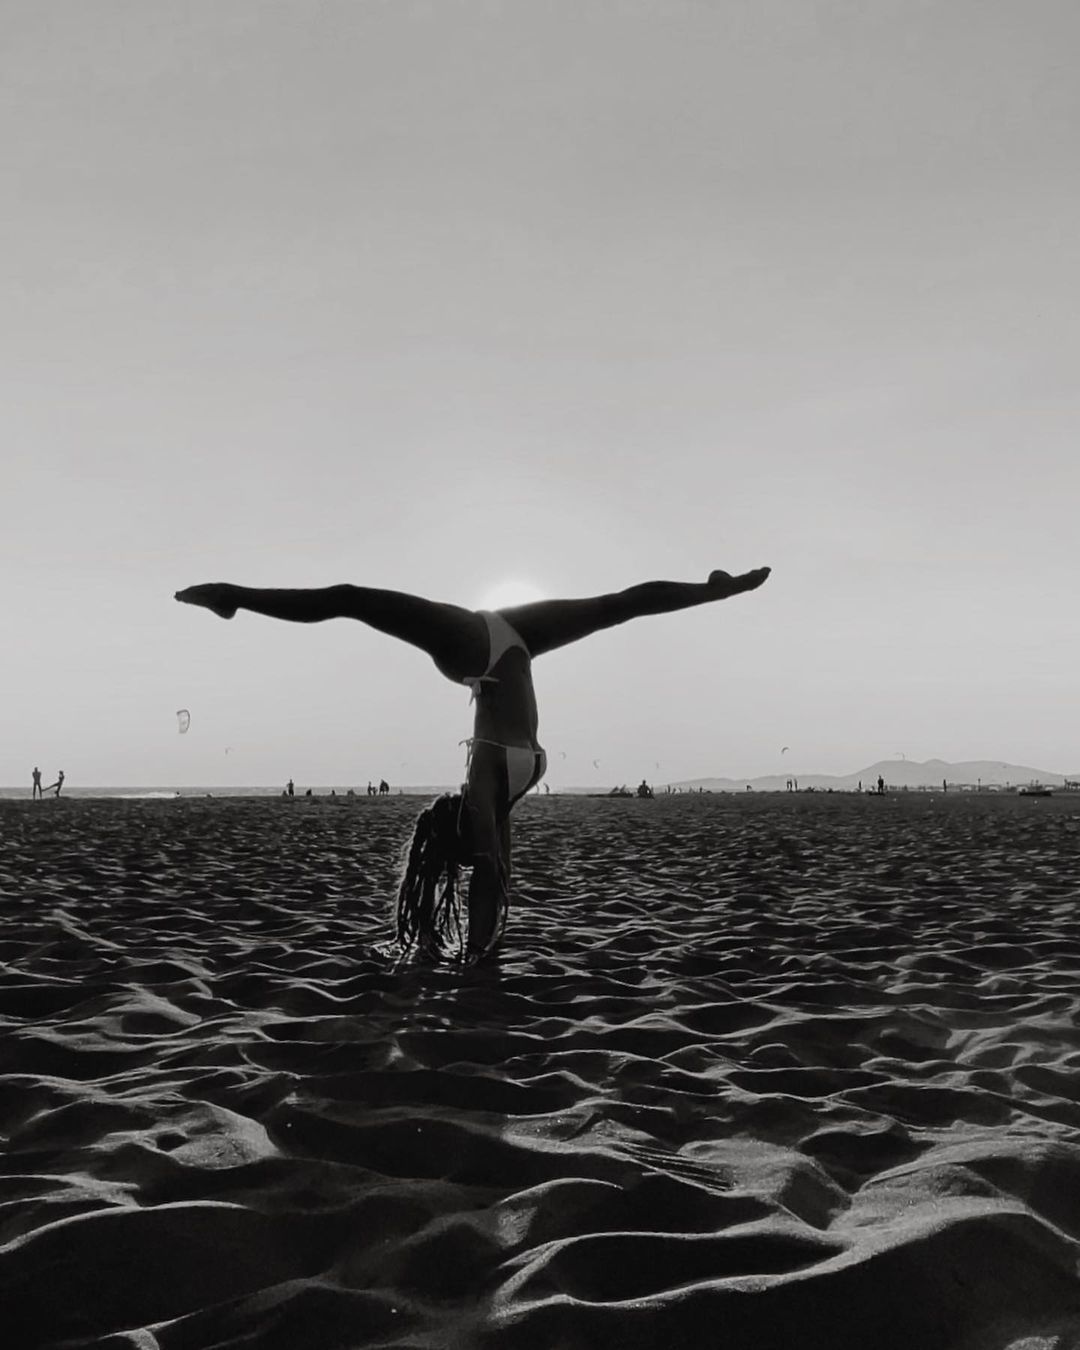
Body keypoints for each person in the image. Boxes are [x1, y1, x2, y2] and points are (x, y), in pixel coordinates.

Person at [175, 567, 770, 962]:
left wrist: (473, 953)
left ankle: (233, 596)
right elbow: (495, 872)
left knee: (352, 599)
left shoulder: (482, 784)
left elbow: (487, 869)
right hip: (514, 641)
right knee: (617, 607)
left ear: (462, 823)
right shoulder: (494, 801)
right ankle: (714, 591)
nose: (481, 836)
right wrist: (480, 952)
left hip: (470, 648)